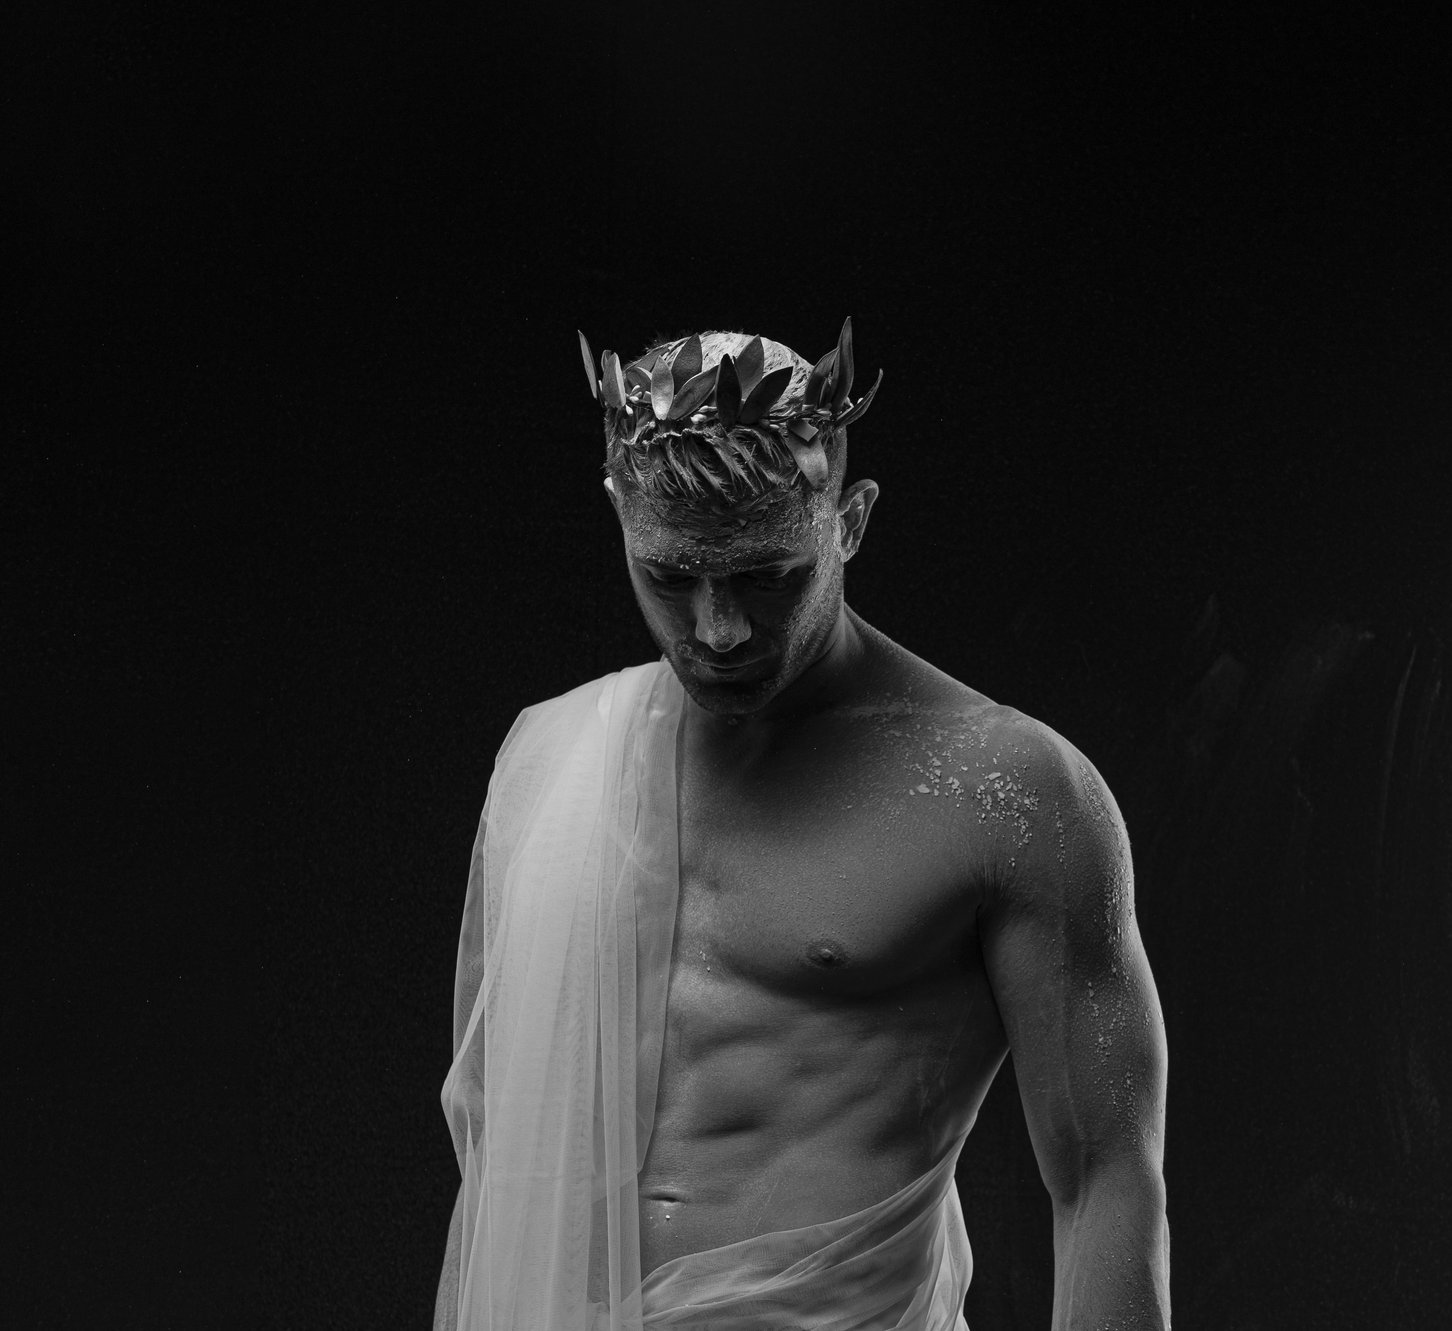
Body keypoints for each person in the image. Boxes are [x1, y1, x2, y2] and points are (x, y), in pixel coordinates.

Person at [433, 323, 1170, 1330]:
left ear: (849, 521)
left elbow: (1103, 1175)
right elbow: (491, 1130)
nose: (717, 628)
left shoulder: (1006, 788)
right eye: (670, 575)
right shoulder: (551, 754)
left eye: (763, 574)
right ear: (618, 519)